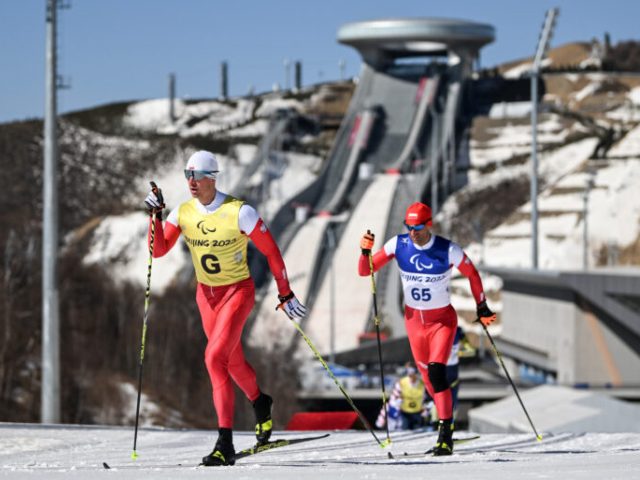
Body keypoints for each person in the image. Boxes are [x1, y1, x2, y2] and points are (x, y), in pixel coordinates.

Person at [144, 150, 307, 466]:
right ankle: (261, 403)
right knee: (230, 363)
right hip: (206, 297)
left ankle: (225, 441)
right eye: (187, 175)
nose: (192, 182)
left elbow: (272, 254)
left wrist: (285, 293)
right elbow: (158, 250)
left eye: (198, 175)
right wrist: (155, 216)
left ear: (212, 177)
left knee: (214, 357)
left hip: (238, 292)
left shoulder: (239, 211)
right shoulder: (184, 212)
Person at [358, 202, 496, 456]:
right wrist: (365, 252)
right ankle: (447, 419)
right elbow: (364, 271)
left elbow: (473, 274)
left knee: (436, 373)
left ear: (429, 224)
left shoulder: (447, 249)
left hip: (441, 322)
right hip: (414, 324)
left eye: (418, 227)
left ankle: (445, 436)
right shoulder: (397, 244)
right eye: (409, 227)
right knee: (429, 384)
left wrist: (482, 307)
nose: (413, 232)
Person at [375, 363, 426, 431]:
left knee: (418, 430)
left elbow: (425, 398)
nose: (410, 374)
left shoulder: (422, 384)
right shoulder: (402, 382)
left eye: (412, 372)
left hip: (417, 412)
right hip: (405, 412)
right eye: (408, 371)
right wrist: (397, 401)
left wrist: (425, 409)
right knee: (404, 430)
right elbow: (394, 398)